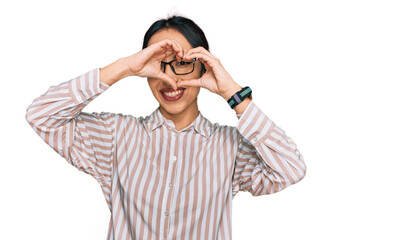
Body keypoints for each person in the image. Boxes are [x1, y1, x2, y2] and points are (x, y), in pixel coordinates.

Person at [25, 15, 306, 240]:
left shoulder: (229, 146)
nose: (170, 80)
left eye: (182, 64)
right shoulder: (116, 135)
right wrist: (124, 67)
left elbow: (291, 168)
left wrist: (232, 92)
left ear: (203, 67)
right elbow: (41, 115)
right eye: (159, 65)